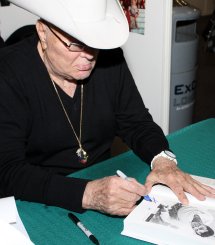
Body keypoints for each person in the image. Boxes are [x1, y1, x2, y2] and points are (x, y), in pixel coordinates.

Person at [0, 0, 214, 216]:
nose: (89, 55)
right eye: (75, 44)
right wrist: (88, 194)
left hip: (103, 178)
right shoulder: (8, 72)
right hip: (36, 197)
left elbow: (136, 123)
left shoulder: (110, 59)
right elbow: (7, 170)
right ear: (43, 33)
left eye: (94, 42)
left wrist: (163, 161)